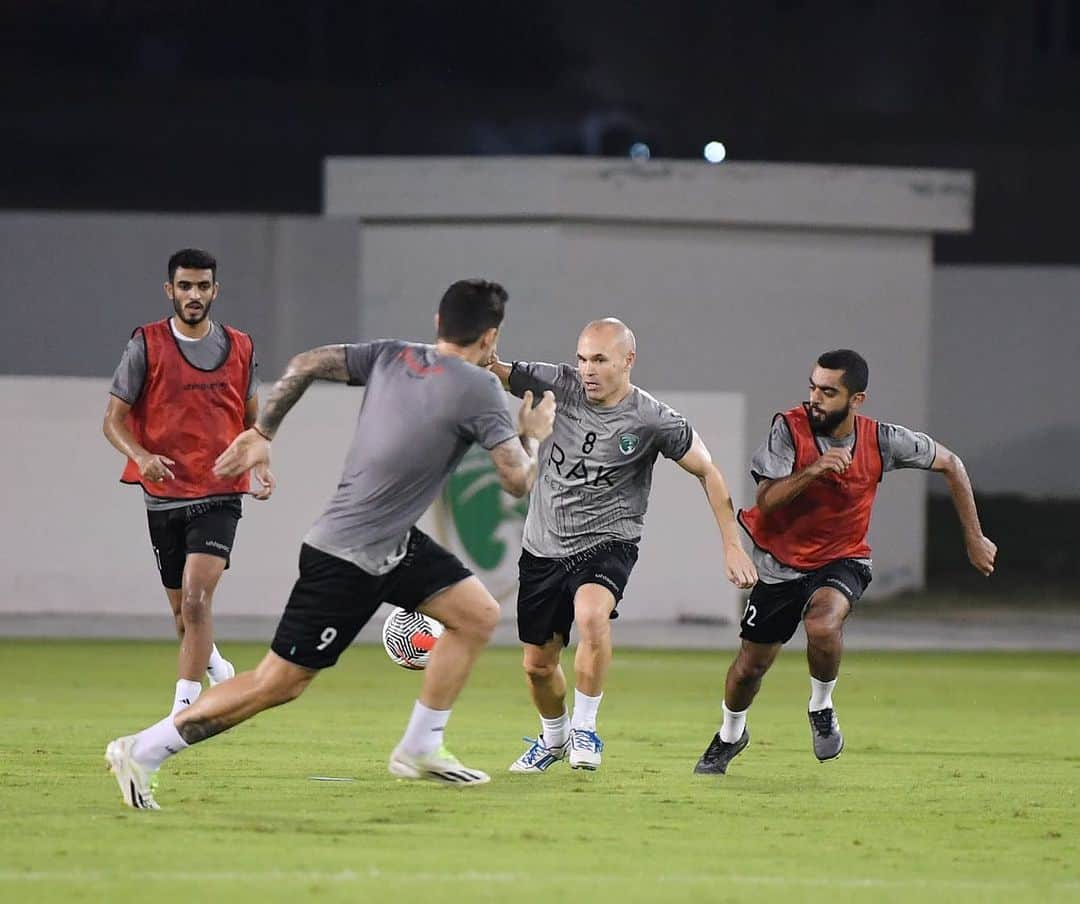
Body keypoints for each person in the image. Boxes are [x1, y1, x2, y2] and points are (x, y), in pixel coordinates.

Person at [105, 278, 556, 808]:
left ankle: (420, 746)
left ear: (438, 323)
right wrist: (533, 433)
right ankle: (143, 749)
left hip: (392, 544)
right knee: (278, 683)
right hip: (348, 556)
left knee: (476, 614)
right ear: (492, 337)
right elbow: (516, 481)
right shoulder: (479, 389)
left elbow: (306, 362)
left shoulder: (391, 355)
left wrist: (264, 431)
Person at [693, 349, 997, 775]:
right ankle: (730, 734)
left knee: (823, 623)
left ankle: (821, 706)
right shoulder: (788, 429)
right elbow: (767, 500)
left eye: (829, 391)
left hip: (844, 558)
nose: (815, 398)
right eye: (813, 387)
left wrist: (974, 536)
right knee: (750, 667)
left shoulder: (881, 439)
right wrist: (815, 470)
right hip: (780, 563)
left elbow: (951, 463)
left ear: (856, 400)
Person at [487, 318, 757, 773]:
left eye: (599, 360)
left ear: (628, 361)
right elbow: (500, 370)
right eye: (582, 358)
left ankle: (586, 730)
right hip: (544, 546)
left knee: (591, 614)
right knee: (537, 666)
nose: (587, 369)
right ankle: (554, 738)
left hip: (609, 541)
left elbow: (707, 470)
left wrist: (732, 544)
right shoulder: (558, 384)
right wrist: (483, 358)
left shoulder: (652, 419)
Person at [103, 248, 274, 718]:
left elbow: (253, 421)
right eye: (185, 286)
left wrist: (259, 460)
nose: (194, 295)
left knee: (198, 599)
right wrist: (141, 456)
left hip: (220, 492)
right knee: (183, 617)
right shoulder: (146, 344)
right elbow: (112, 421)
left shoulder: (240, 346)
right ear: (170, 290)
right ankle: (216, 663)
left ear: (215, 290)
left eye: (203, 286)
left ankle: (182, 713)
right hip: (163, 495)